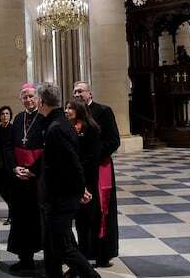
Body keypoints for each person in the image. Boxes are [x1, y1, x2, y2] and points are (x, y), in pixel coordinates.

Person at [38, 83, 101, 278]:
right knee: (52, 242)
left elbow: (73, 163)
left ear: (41, 102)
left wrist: (80, 188)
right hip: (59, 195)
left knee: (63, 247)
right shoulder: (62, 123)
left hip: (61, 197)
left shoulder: (56, 128)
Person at [73, 81, 120, 268]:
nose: (77, 94)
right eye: (75, 91)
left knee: (102, 211)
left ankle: (103, 253)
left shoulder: (103, 111)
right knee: (82, 212)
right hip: (80, 170)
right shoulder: (72, 114)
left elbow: (114, 141)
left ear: (90, 93)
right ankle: (84, 251)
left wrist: (93, 155)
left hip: (100, 169)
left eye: (80, 91)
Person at [6, 83, 45, 271]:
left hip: (38, 178)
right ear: (20, 99)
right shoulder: (19, 118)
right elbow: (10, 147)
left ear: (38, 98)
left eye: (31, 96)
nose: (28, 100)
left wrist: (33, 170)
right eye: (24, 97)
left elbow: (49, 150)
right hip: (19, 178)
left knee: (40, 218)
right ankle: (25, 258)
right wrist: (15, 167)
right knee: (21, 218)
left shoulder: (44, 118)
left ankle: (51, 258)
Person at [65, 99, 102, 267]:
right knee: (74, 220)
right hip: (71, 180)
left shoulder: (91, 128)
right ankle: (77, 255)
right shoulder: (66, 128)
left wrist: (79, 173)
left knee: (85, 221)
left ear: (78, 110)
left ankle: (86, 256)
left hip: (87, 180)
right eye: (65, 107)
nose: (66, 110)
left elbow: (92, 157)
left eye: (70, 108)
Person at [0, 105, 14, 226]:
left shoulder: (13, 129)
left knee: (10, 190)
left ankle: (12, 214)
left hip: (10, 163)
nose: (5, 116)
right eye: (2, 114)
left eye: (7, 113)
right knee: (0, 188)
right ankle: (12, 207)